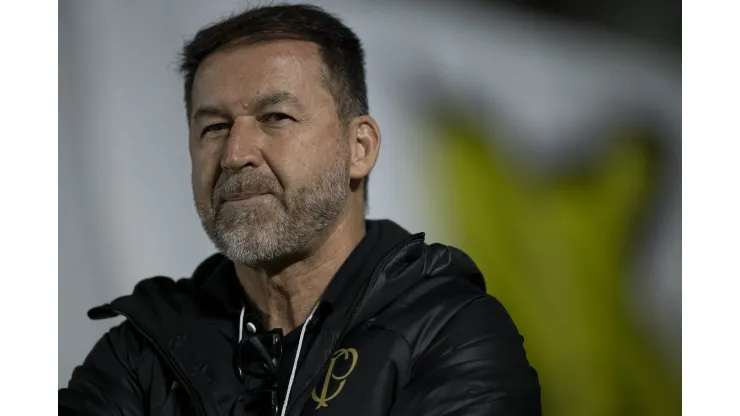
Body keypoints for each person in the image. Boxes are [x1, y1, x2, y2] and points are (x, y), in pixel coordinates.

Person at [59, 4, 541, 416]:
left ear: (360, 148)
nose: (235, 153)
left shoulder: (453, 336)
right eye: (214, 127)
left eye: (276, 118)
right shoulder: (141, 353)